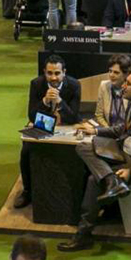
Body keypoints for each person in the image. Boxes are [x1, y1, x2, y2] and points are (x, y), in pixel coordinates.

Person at [59, 67, 131, 251]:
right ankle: (111, 181)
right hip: (122, 150)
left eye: (128, 84)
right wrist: (95, 130)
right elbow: (121, 130)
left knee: (94, 180)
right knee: (83, 146)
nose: (123, 86)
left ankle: (83, 235)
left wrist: (130, 172)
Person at [14, 55, 82, 209]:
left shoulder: (74, 85)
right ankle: (27, 191)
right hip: (42, 124)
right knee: (25, 151)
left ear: (64, 72)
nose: (53, 77)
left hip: (66, 127)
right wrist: (44, 102)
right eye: (49, 73)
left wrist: (60, 102)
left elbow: (73, 117)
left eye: (57, 73)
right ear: (44, 72)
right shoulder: (36, 84)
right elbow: (31, 115)